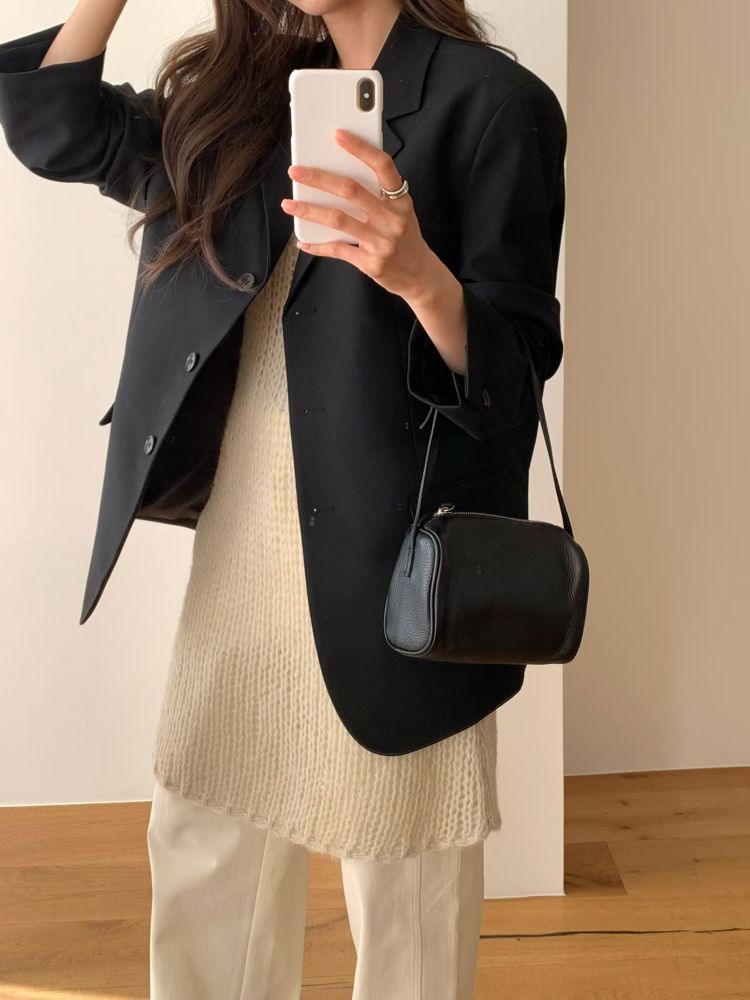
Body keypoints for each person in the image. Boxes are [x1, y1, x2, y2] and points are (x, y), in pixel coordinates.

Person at [0, 1, 567, 997]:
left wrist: (420, 277)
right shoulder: (234, 103)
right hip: (244, 556)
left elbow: (513, 379)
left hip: (398, 568)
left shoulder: (493, 104)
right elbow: (54, 123)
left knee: (404, 887)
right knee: (205, 854)